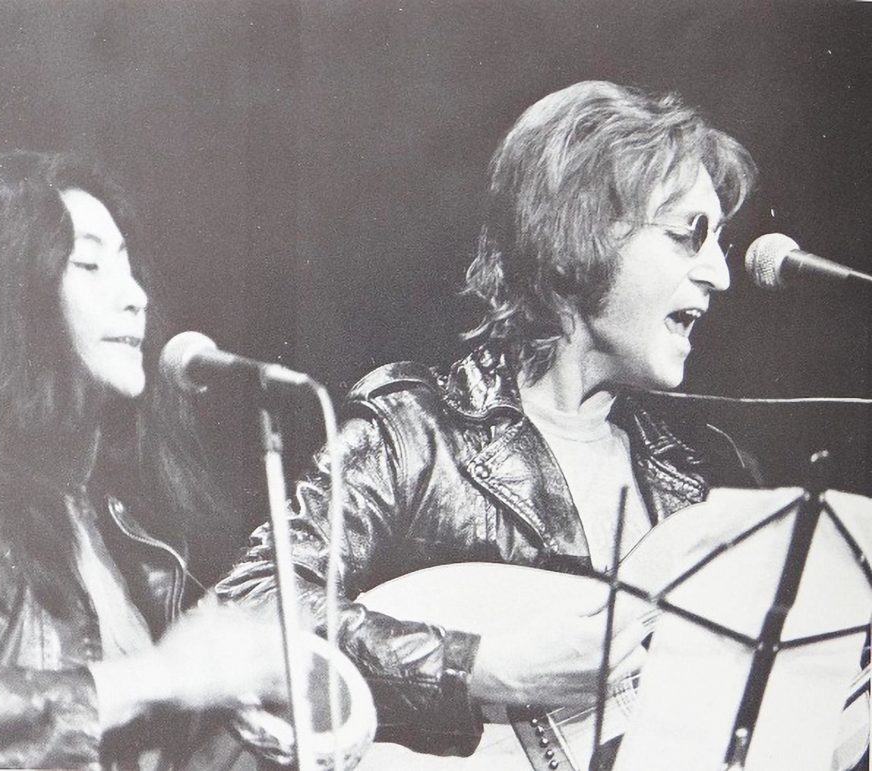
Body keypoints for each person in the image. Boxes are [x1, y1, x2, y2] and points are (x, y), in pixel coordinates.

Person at [215, 80, 767, 763]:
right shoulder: (416, 433)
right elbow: (244, 606)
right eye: (691, 234)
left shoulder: (708, 479)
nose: (720, 272)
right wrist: (481, 668)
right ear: (581, 233)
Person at [0, 151, 287, 768]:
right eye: (89, 264)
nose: (135, 296)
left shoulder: (112, 517)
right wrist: (159, 677)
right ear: (6, 297)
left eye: (131, 267)